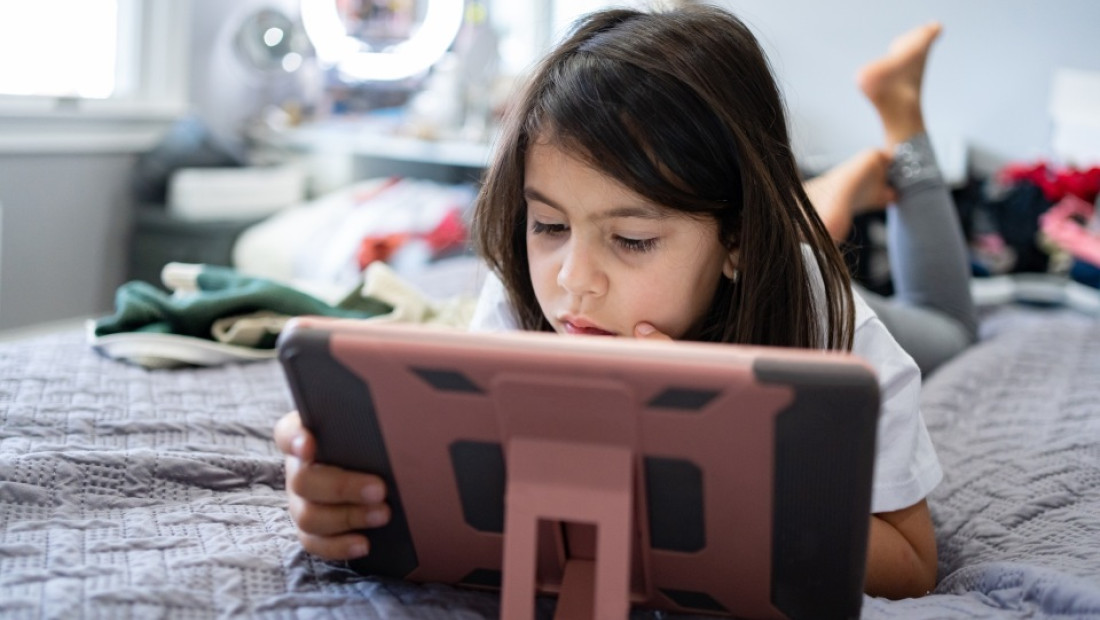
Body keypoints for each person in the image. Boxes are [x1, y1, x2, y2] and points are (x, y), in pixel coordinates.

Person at [274, 7, 960, 600]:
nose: (574, 280)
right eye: (549, 225)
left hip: (792, 281)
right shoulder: (525, 298)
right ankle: (829, 196)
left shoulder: (830, 326)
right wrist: (354, 497)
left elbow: (912, 562)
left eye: (631, 240)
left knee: (950, 327)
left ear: (738, 238)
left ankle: (901, 123)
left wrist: (720, 473)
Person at [805, 22, 978, 376]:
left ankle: (796, 224)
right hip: (784, 281)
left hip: (780, 286)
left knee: (947, 327)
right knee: (948, 324)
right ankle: (798, 219)